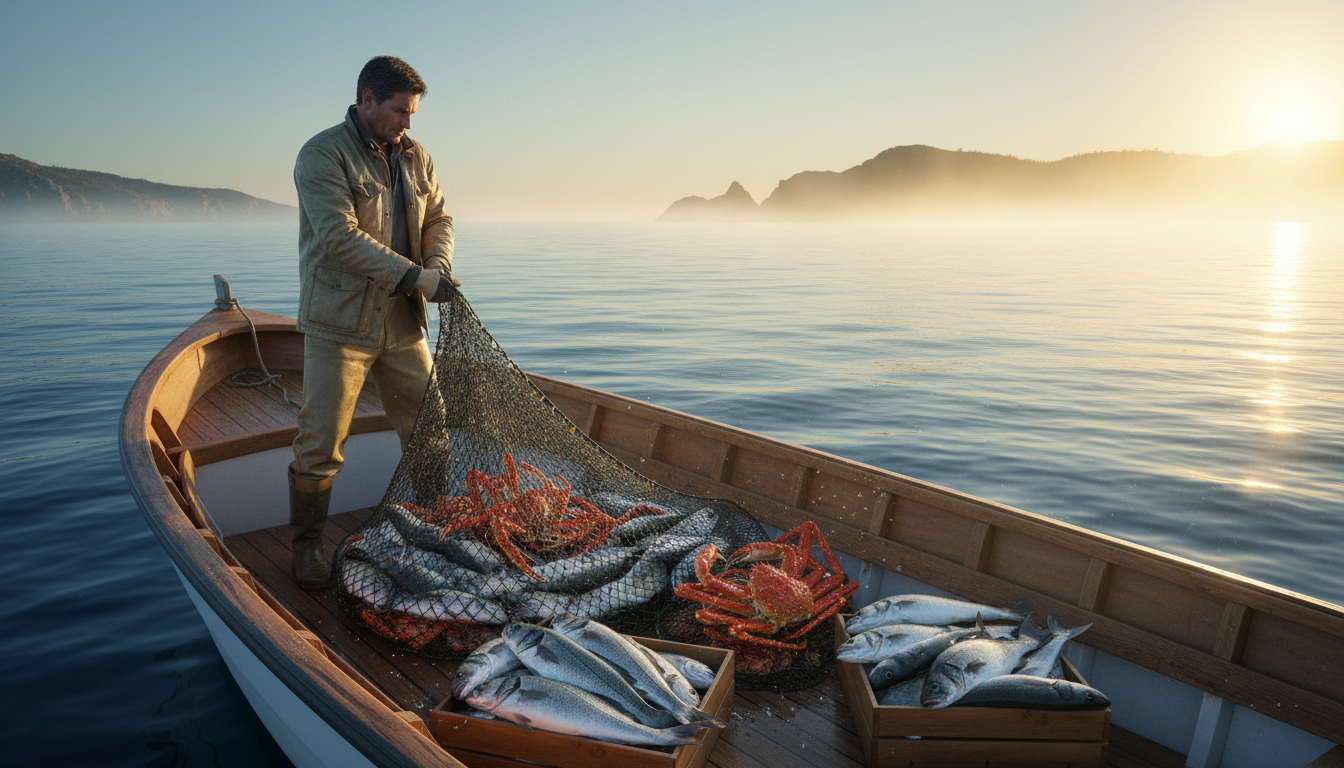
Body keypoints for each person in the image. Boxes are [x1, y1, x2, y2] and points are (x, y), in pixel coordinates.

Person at [288, 55, 457, 589]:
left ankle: (433, 530)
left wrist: (439, 266)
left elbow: (439, 217)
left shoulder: (417, 156)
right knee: (322, 440)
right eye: (399, 111)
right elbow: (338, 238)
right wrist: (415, 277)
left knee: (430, 430)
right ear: (366, 100)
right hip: (340, 324)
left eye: (412, 113)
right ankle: (307, 549)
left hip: (404, 323)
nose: (408, 123)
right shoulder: (321, 155)